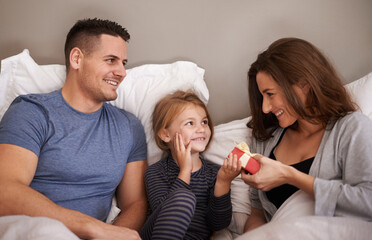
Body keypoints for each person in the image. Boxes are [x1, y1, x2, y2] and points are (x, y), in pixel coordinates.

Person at [0, 18, 147, 240]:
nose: (122, 72)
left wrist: (114, 234)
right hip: (36, 230)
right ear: (77, 58)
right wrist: (92, 228)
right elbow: (5, 190)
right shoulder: (32, 112)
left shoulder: (129, 127)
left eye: (123, 63)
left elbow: (135, 203)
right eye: (111, 60)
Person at [241, 37, 372, 232]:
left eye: (270, 94)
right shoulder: (265, 141)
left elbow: (367, 202)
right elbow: (257, 214)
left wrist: (289, 175)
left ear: (303, 84)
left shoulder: (351, 128)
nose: (265, 108)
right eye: (262, 97)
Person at [139, 90, 241, 240]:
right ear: (165, 134)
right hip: (156, 235)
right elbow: (163, 215)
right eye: (190, 123)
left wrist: (223, 182)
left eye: (204, 122)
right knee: (184, 198)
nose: (201, 129)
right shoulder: (156, 172)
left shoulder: (214, 173)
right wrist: (185, 170)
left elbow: (218, 224)